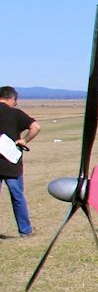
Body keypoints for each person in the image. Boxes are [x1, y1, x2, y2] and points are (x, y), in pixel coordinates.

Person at [0, 86, 41, 237]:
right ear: (12, 98)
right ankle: (25, 230)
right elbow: (36, 127)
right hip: (11, 163)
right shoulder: (15, 113)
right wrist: (24, 140)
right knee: (17, 196)